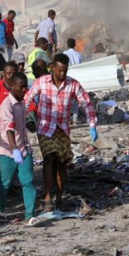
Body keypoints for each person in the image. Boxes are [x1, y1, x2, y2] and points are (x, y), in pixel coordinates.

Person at [24, 53, 98, 211]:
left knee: (61, 163)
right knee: (49, 157)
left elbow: (87, 103)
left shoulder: (73, 85)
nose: (62, 74)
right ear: (52, 68)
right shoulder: (42, 82)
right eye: (59, 70)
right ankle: (47, 196)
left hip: (62, 128)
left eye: (65, 70)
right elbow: (27, 99)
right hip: (45, 126)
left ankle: (59, 197)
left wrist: (92, 124)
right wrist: (21, 117)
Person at [0, 72, 36, 222]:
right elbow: (9, 130)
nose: (24, 90)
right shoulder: (7, 105)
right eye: (21, 87)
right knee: (5, 182)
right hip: (8, 151)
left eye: (25, 87)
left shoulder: (22, 102)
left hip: (24, 148)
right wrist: (14, 149)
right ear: (12, 85)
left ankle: (30, 214)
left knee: (28, 180)